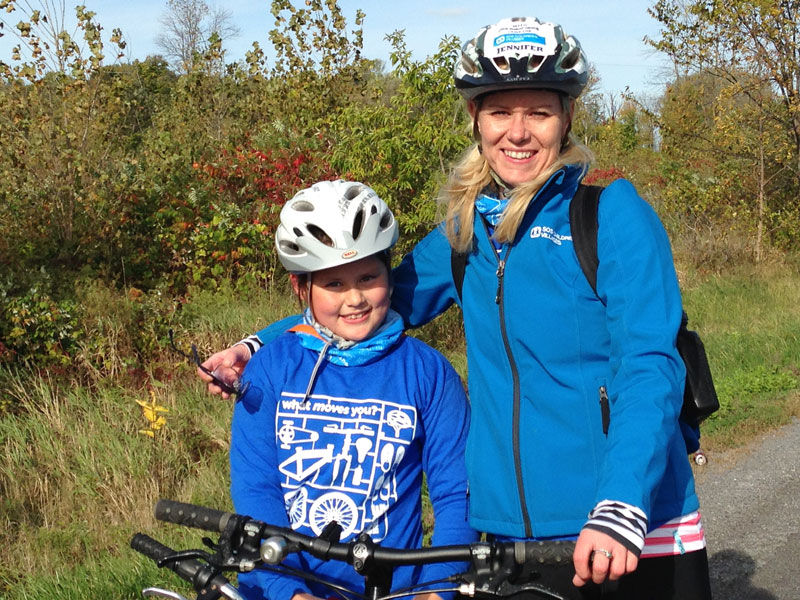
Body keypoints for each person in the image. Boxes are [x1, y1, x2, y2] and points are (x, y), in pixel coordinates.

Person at [204, 17, 712, 600]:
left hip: (624, 524)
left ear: (567, 117)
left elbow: (649, 363)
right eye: (500, 112)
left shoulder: (609, 216)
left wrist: (621, 501)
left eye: (539, 113)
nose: (518, 133)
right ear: (476, 119)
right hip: (505, 538)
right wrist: (258, 346)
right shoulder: (465, 233)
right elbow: (363, 298)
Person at [229, 180, 476, 600]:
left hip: (389, 591)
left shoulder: (427, 372)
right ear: (301, 287)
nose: (355, 298)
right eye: (334, 284)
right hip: (279, 589)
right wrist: (287, 591)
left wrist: (438, 589)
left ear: (389, 274)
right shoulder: (272, 368)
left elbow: (459, 493)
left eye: (368, 276)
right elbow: (257, 491)